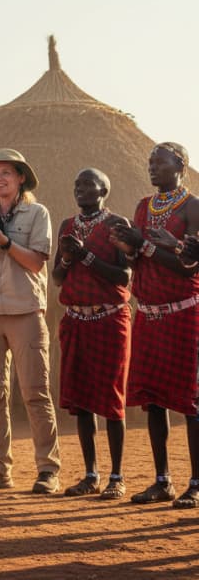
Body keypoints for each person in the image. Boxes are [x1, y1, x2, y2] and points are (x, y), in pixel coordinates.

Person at [0, 148, 61, 494]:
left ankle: (48, 469)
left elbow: (36, 262)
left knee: (35, 392)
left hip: (25, 311)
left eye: (6, 173)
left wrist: (4, 241)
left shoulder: (37, 214)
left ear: (20, 178)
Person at [110, 142, 199, 508]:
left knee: (192, 401)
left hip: (184, 312)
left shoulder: (194, 207)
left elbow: (190, 265)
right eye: (149, 161)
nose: (151, 166)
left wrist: (148, 245)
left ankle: (196, 482)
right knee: (153, 399)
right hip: (148, 312)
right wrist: (127, 244)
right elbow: (134, 261)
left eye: (159, 161)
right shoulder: (144, 207)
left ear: (180, 164)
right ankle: (162, 480)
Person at [52, 168, 131, 500]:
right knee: (82, 402)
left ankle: (116, 476)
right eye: (76, 184)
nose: (80, 189)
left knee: (112, 401)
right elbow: (56, 278)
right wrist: (69, 258)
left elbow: (125, 277)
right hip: (76, 320)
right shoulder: (67, 227)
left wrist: (86, 254)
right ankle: (90, 474)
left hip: (109, 320)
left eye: (88, 185)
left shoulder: (118, 225)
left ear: (104, 191)